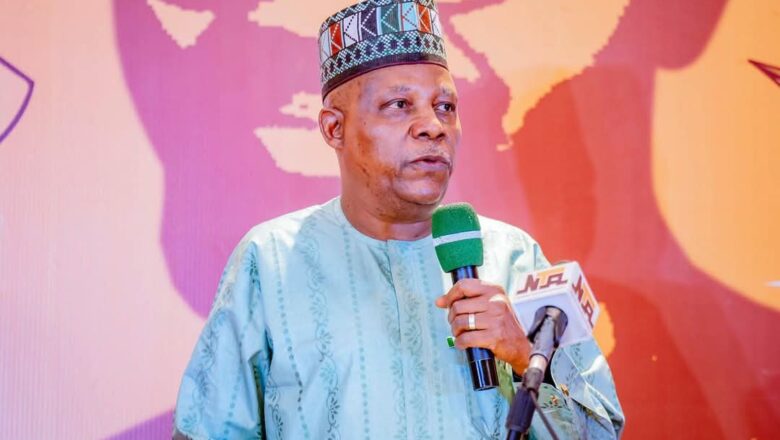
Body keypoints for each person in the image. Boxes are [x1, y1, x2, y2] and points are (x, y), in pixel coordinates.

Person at [173, 1, 624, 438]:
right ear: (334, 128)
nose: (433, 126)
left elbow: (602, 433)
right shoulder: (271, 260)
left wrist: (526, 360)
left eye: (445, 107)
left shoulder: (515, 258)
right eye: (399, 105)